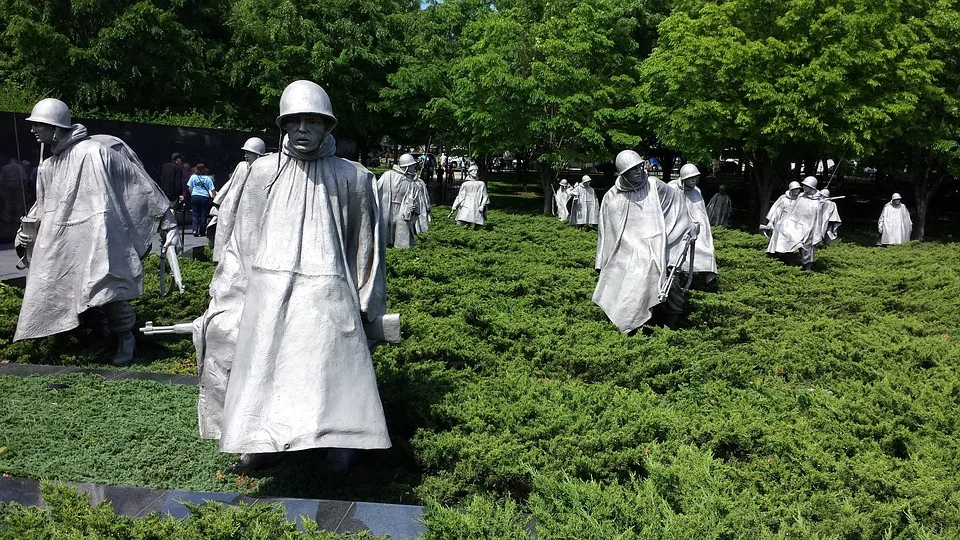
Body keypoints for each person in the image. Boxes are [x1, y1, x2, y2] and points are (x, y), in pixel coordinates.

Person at [193, 80, 391, 472]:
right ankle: (260, 440)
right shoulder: (262, 173)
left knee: (331, 366)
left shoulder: (354, 177)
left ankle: (341, 438)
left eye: (312, 121)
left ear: (327, 126)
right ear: (283, 125)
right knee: (265, 365)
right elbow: (242, 242)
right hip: (270, 289)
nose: (302, 129)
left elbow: (365, 246)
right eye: (294, 121)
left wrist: (365, 300)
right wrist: (229, 295)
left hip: (328, 289)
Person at [14, 98, 178, 365]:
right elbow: (43, 206)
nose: (33, 130)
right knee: (67, 287)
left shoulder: (92, 152)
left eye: (39, 125)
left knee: (106, 286)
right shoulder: (48, 166)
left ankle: (125, 337)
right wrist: (26, 232)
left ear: (55, 128)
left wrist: (166, 219)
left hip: (99, 231)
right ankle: (99, 334)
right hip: (62, 239)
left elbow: (135, 180)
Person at [593, 150, 697, 332]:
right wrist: (603, 261)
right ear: (623, 173)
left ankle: (670, 327)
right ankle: (629, 325)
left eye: (640, 166)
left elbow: (677, 208)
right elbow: (606, 233)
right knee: (626, 276)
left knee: (665, 279)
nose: (639, 171)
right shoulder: (612, 197)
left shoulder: (655, 186)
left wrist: (685, 231)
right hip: (626, 252)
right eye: (633, 170)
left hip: (658, 247)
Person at [208, 137, 266, 260]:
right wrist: (217, 202)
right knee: (228, 236)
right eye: (245, 153)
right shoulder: (242, 167)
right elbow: (231, 185)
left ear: (258, 155)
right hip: (232, 208)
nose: (246, 156)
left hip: (251, 211)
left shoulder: (263, 169)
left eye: (249, 153)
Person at [668, 164, 717, 282]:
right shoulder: (671, 188)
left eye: (696, 178)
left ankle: (704, 277)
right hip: (676, 230)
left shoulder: (697, 192)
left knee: (706, 250)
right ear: (684, 178)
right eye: (692, 178)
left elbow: (701, 216)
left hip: (695, 230)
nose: (695, 180)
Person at [763, 176, 822, 270]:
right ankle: (781, 254)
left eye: (805, 186)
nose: (802, 188)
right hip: (795, 225)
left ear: (811, 187)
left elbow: (817, 221)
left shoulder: (817, 203)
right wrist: (777, 222)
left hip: (808, 228)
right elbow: (791, 213)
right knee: (780, 227)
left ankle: (807, 268)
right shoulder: (800, 198)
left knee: (806, 246)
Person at [377, 153, 419, 247]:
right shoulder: (388, 175)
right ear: (406, 167)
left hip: (402, 208)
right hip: (388, 206)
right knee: (388, 226)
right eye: (412, 166)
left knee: (399, 229)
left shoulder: (411, 182)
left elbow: (413, 198)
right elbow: (378, 189)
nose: (414, 168)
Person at [451, 164, 489, 228]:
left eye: (476, 171)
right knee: (460, 223)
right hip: (466, 207)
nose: (475, 172)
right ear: (469, 172)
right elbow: (459, 196)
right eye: (473, 171)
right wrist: (454, 206)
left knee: (479, 226)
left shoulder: (481, 184)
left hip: (477, 207)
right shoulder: (465, 184)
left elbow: (485, 196)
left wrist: (482, 205)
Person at [187, 163, 216, 237]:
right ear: (204, 170)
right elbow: (212, 189)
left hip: (195, 196)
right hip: (204, 197)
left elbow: (190, 188)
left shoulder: (193, 177)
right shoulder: (208, 178)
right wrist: (214, 196)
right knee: (203, 214)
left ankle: (194, 230)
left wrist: (192, 193)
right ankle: (202, 231)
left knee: (195, 214)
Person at [0, 157, 27, 223]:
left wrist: (2, 187)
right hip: (18, 185)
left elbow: (1, 179)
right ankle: (18, 218)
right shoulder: (20, 167)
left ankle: (7, 218)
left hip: (8, 186)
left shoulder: (5, 167)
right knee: (19, 202)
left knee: (8, 202)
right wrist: (25, 186)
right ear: (16, 161)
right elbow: (25, 177)